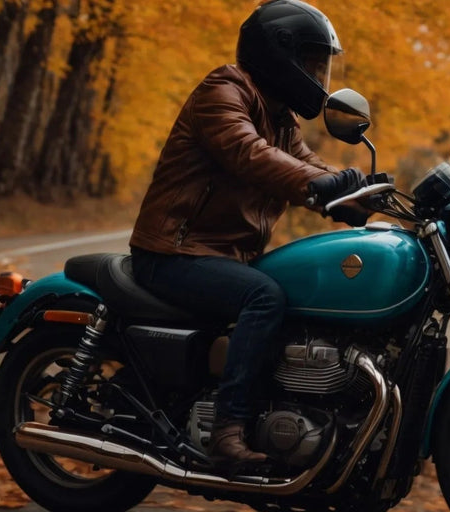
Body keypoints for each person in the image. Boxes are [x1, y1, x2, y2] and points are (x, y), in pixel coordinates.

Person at [129, 0, 370, 465]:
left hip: (221, 256)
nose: (319, 78)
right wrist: (321, 184)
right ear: (278, 56)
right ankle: (228, 429)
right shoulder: (223, 90)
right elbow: (249, 153)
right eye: (311, 64)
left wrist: (362, 193)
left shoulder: (283, 119)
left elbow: (307, 164)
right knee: (264, 297)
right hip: (173, 252)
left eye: (323, 67)